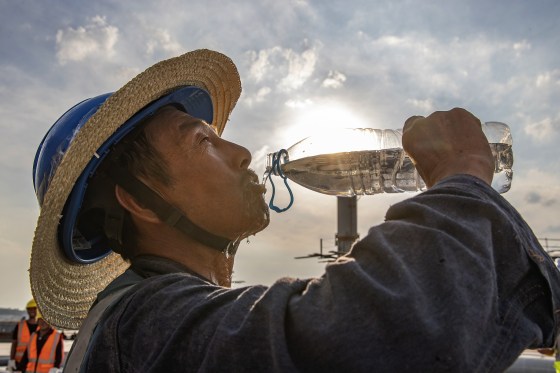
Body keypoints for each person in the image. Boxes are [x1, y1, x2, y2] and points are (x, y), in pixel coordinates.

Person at [29, 49, 560, 372]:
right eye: (202, 141)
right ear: (137, 199)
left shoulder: (157, 320)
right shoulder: (146, 327)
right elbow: (390, 332)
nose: (239, 153)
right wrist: (462, 174)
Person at [8, 299, 39, 372]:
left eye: (34, 308)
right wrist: (11, 360)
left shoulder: (42, 327)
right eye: (29, 309)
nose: (32, 310)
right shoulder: (20, 326)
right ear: (27, 310)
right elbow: (14, 344)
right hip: (20, 363)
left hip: (35, 363)